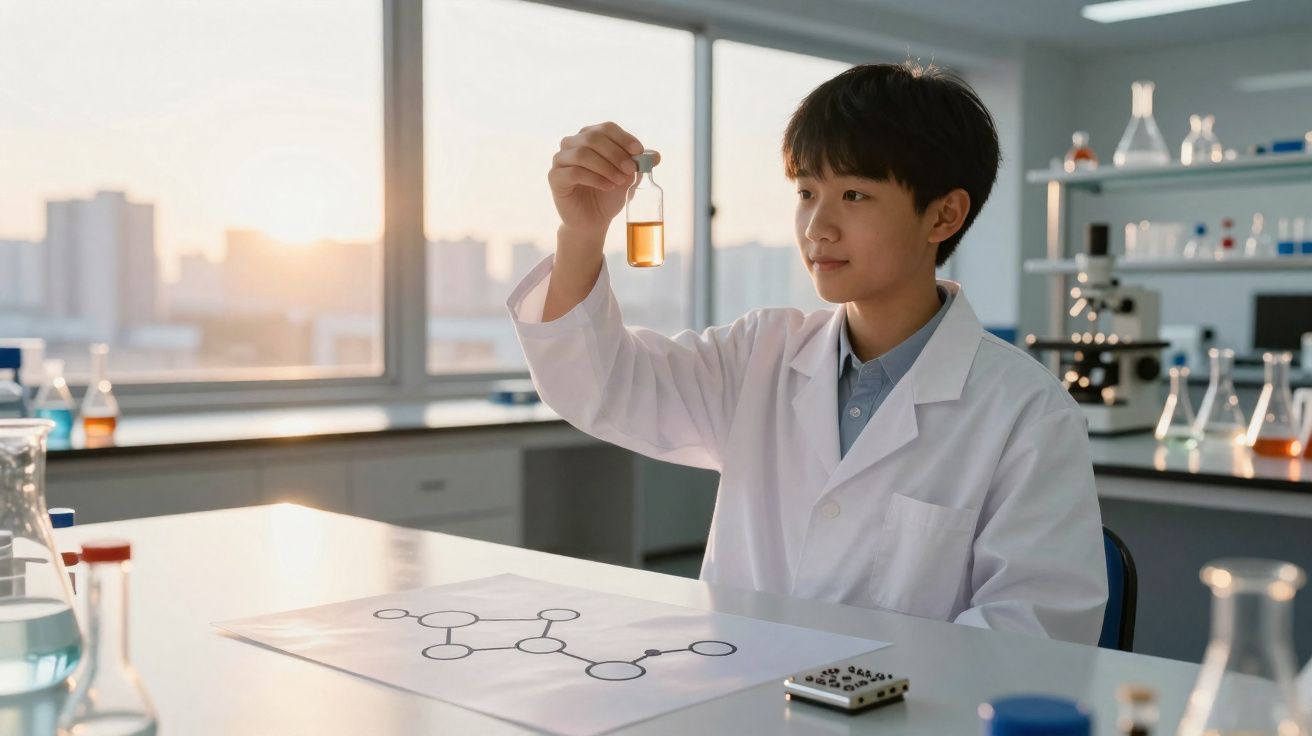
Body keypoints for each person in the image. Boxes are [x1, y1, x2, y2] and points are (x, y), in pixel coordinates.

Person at [507, 62, 1107, 644]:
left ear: (943, 215)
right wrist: (581, 233)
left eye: (853, 194)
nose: (817, 226)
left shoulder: (1027, 412)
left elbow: (1032, 630)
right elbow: (603, 386)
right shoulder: (758, 354)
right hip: (735, 698)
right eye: (806, 192)